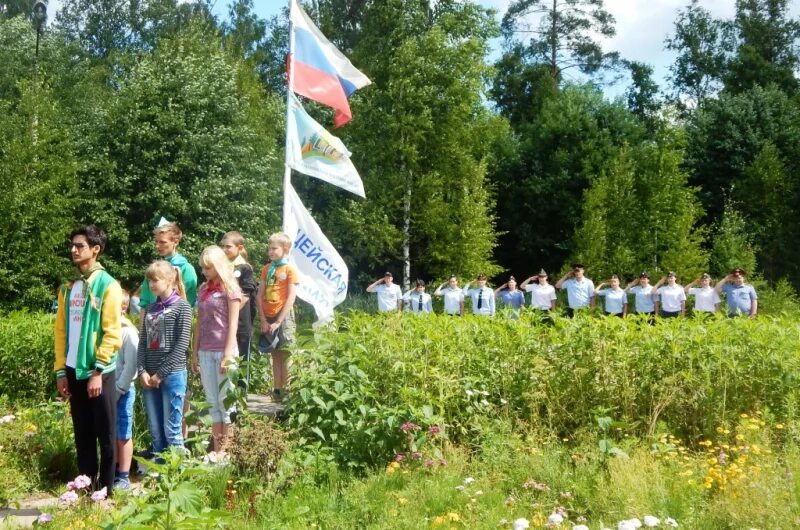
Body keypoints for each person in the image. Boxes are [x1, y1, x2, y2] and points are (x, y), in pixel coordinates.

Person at [54, 225, 122, 495]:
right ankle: (84, 486)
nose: (73, 250)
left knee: (104, 433)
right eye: (72, 245)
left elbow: (112, 332)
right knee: (82, 432)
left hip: (98, 372)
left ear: (96, 249)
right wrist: (61, 371)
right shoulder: (68, 288)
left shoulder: (108, 285)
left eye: (79, 246)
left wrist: (98, 369)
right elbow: (60, 332)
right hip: (73, 369)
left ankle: (105, 491)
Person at [137, 261, 192, 459]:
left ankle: (176, 473)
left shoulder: (182, 307)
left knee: (172, 429)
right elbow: (143, 341)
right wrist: (142, 370)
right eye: (149, 280)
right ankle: (158, 468)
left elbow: (182, 344)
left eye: (156, 280)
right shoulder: (151, 308)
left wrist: (161, 373)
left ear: (170, 280)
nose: (151, 284)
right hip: (149, 376)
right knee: (155, 428)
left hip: (172, 374)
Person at [193, 246, 241, 452]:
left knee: (226, 402)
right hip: (205, 350)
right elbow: (199, 323)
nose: (204, 271)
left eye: (208, 267)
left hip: (224, 350)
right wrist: (194, 353)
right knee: (212, 402)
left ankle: (225, 451)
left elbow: (233, 324)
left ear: (219, 266)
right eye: (203, 267)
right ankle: (216, 449)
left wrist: (228, 354)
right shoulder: (203, 290)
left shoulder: (231, 289)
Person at [257, 233, 299, 402]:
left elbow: (291, 297)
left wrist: (279, 321)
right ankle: (277, 390)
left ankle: (287, 391)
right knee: (274, 354)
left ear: (285, 250)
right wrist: (263, 319)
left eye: (274, 248)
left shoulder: (289, 270)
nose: (271, 251)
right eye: (269, 248)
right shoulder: (267, 268)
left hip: (284, 316)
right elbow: (259, 294)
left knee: (286, 352)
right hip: (268, 315)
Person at [138, 221, 198, 312]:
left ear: (175, 242)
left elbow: (188, 305)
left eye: (162, 242)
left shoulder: (186, 269)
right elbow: (145, 303)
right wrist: (142, 326)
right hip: (151, 321)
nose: (157, 246)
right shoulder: (154, 269)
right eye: (156, 241)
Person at [220, 232, 258, 372]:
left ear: (239, 247)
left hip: (241, 319)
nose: (224, 250)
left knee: (242, 357)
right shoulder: (223, 266)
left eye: (228, 247)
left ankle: (242, 391)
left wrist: (231, 312)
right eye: (222, 246)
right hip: (226, 318)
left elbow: (246, 294)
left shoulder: (244, 267)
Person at [114, 290, 138, 490]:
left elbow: (131, 365)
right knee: (111, 432)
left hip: (124, 390)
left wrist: (119, 389)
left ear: (123, 307)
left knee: (123, 433)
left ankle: (123, 475)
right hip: (108, 390)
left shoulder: (128, 332)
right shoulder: (104, 329)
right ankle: (113, 469)